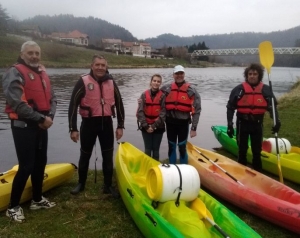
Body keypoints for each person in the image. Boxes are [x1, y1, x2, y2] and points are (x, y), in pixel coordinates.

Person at [2, 41, 57, 223]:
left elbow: (53, 98)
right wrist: (41, 119)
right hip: (24, 126)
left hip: (42, 125)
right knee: (26, 165)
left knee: (40, 163)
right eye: (30, 53)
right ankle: (13, 207)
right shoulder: (15, 72)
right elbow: (17, 103)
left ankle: (37, 199)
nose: (34, 56)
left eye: (37, 53)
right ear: (22, 54)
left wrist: (49, 117)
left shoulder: (41, 73)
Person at [68, 55, 125, 197]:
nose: (100, 68)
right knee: (85, 155)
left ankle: (107, 185)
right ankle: (81, 183)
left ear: (106, 67)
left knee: (107, 156)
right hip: (88, 124)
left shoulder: (112, 82)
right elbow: (73, 105)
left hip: (106, 123)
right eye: (97, 65)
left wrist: (120, 125)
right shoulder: (83, 81)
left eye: (103, 65)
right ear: (92, 66)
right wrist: (73, 128)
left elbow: (119, 104)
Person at [226, 63, 281, 172]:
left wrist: (277, 121)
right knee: (242, 150)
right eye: (250, 74)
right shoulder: (238, 90)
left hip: (257, 124)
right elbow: (230, 108)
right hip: (243, 123)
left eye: (255, 74)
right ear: (246, 76)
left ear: (259, 76)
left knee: (257, 151)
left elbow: (272, 108)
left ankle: (258, 172)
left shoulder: (266, 90)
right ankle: (241, 171)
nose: (252, 76)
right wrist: (230, 125)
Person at [161, 65, 201, 164]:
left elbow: (197, 110)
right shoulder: (166, 88)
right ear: (173, 75)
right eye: (177, 74)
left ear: (184, 74)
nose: (179, 76)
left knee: (182, 147)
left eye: (181, 73)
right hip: (170, 123)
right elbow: (154, 96)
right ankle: (172, 169)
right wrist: (142, 101)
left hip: (183, 123)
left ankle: (184, 170)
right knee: (171, 146)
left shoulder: (192, 90)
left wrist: (194, 128)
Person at [137, 74, 166, 160]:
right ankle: (147, 169)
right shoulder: (144, 95)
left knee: (156, 150)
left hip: (158, 126)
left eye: (158, 81)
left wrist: (153, 126)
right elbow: (140, 111)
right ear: (151, 82)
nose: (156, 83)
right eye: (154, 81)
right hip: (145, 126)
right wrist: (146, 126)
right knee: (148, 150)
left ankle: (156, 169)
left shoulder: (163, 96)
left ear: (160, 83)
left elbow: (163, 113)